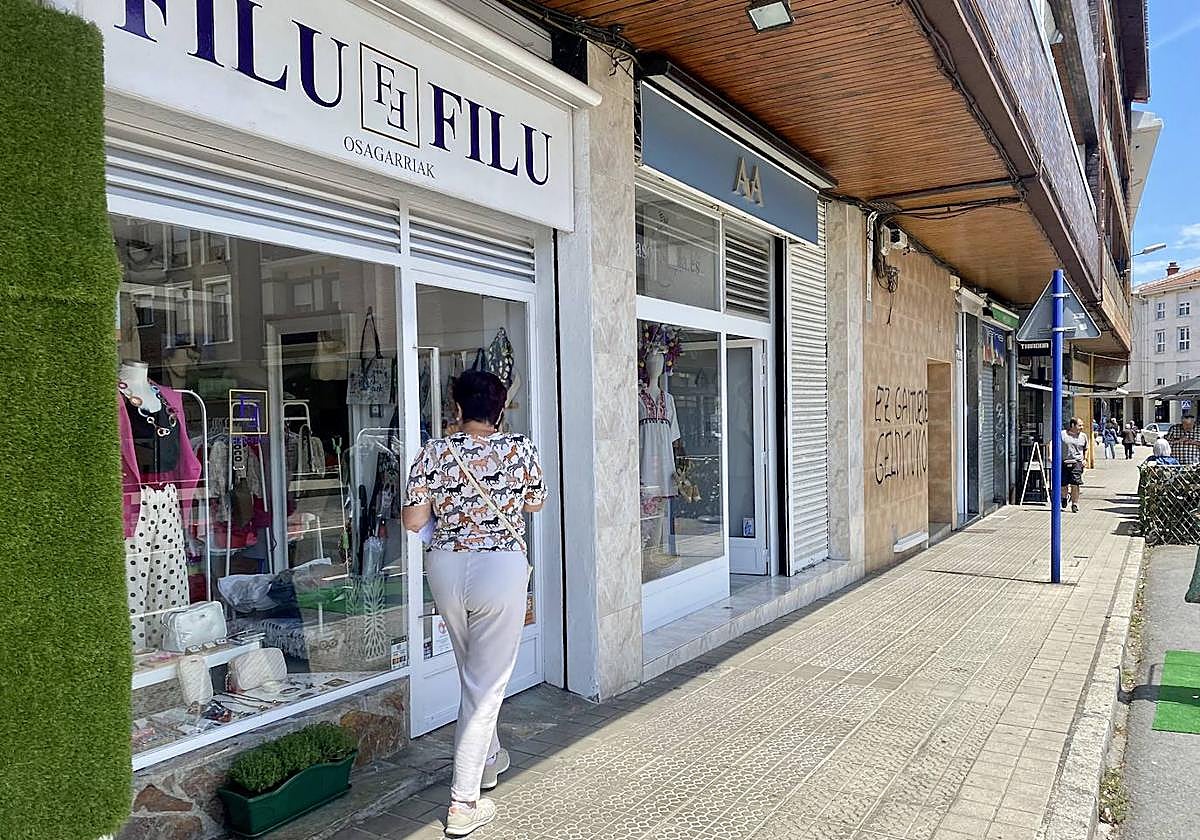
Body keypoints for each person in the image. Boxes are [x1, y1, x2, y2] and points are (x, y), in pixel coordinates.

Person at [401, 370, 547, 837]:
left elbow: (413, 519)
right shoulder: (520, 448)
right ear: (500, 410)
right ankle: (464, 803)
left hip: (445, 567)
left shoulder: (432, 452)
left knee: (473, 671)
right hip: (499, 568)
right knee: (486, 686)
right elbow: (535, 505)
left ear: (457, 408)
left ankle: (487, 760)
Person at [1061, 417, 1088, 513]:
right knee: (1063, 484)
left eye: (1082, 425)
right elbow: (1051, 444)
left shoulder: (1083, 436)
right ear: (1072, 425)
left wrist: (1085, 459)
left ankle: (1074, 504)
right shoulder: (1062, 434)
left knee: (1075, 484)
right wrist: (1051, 456)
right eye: (1079, 425)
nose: (1082, 427)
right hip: (1063, 462)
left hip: (1077, 462)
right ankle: (1064, 498)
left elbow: (1085, 448)